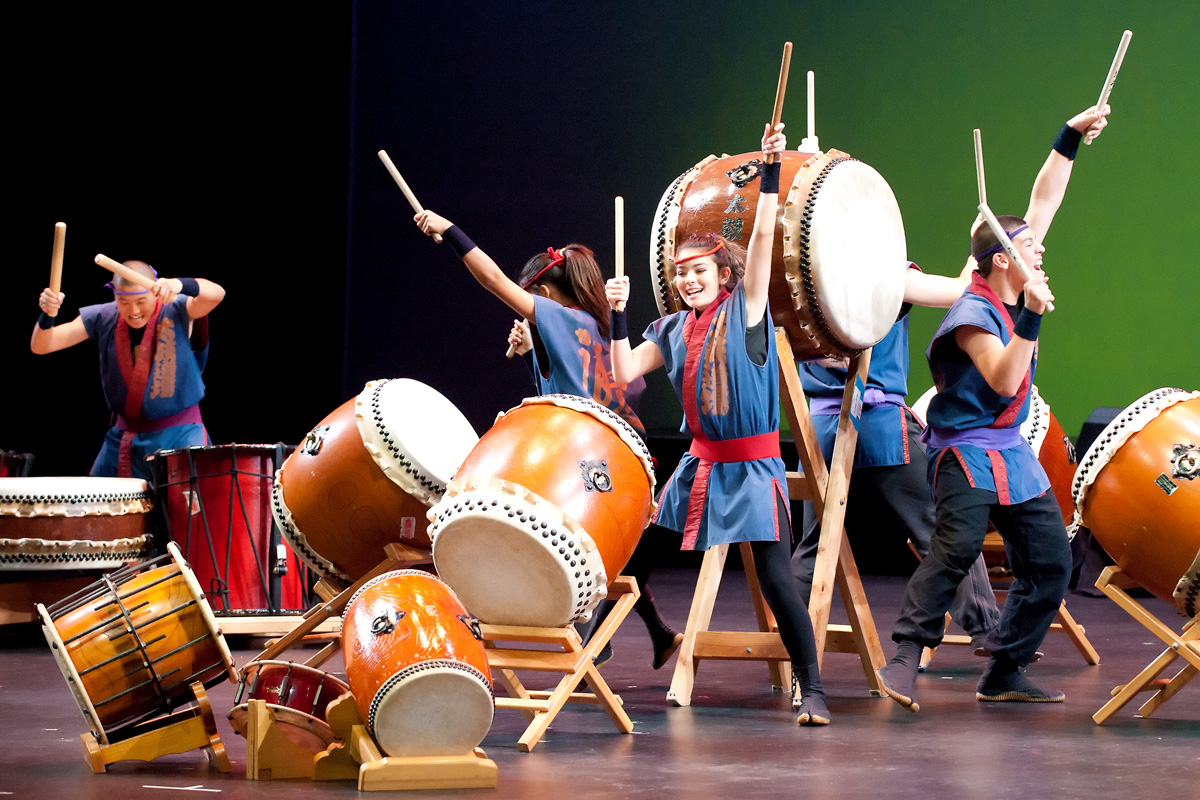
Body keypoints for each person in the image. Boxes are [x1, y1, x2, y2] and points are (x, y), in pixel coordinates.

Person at [876, 104, 1110, 711]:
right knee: (954, 551)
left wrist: (1069, 136)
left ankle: (1004, 669)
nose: (1042, 249)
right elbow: (1006, 384)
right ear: (1003, 260)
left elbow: (1044, 201)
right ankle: (903, 657)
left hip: (1011, 451)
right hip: (965, 451)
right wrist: (1031, 314)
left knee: (1053, 563)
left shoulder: (1010, 277)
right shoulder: (973, 312)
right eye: (1030, 248)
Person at [606, 122, 830, 726]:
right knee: (633, 560)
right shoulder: (671, 329)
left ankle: (812, 689)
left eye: (699, 271)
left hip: (753, 467)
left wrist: (774, 170)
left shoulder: (748, 309)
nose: (688, 280)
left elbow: (761, 238)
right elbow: (624, 369)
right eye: (681, 274)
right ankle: (605, 651)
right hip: (700, 465)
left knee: (777, 578)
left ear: (723, 275)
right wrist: (620, 314)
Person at [412, 211, 683, 669]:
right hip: (629, 457)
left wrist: (451, 230)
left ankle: (588, 635)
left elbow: (494, 280)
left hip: (588, 456)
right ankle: (642, 634)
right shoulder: (603, 325)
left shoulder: (555, 315)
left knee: (571, 546)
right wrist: (530, 353)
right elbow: (587, 385)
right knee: (618, 554)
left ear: (541, 293)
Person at [791, 258, 1002, 665]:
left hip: (818, 430)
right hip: (877, 425)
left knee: (816, 548)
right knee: (950, 525)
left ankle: (792, 648)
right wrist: (979, 253)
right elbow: (963, 291)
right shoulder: (884, 272)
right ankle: (990, 632)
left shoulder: (802, 278)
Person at [31, 261, 225, 482]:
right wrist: (48, 314)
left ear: (154, 292)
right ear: (114, 296)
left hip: (179, 436)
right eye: (124, 302)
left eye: (141, 301)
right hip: (123, 439)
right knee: (98, 510)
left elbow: (216, 294)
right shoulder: (103, 317)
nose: (133, 311)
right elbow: (42, 345)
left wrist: (179, 284)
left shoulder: (177, 308)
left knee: (185, 514)